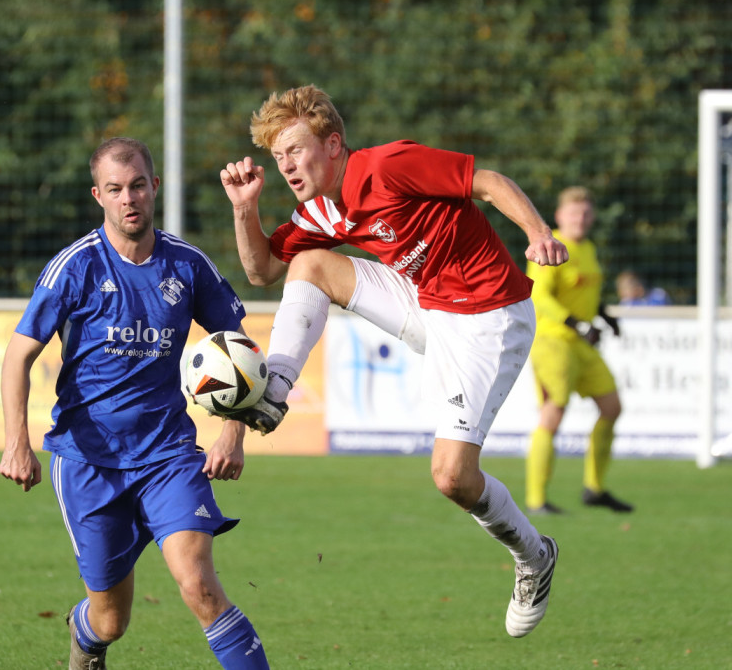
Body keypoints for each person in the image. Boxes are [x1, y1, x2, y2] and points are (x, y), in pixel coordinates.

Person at [219, 85, 566, 638]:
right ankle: (274, 392)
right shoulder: (321, 210)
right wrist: (245, 210)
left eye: (295, 149)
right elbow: (263, 271)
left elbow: (490, 183)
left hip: (490, 315)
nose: (285, 164)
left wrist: (538, 233)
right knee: (308, 263)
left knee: (452, 477)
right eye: (277, 156)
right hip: (429, 303)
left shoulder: (389, 165)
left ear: (333, 145)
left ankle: (534, 555)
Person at [0, 137, 269, 670]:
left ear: (155, 188)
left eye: (139, 186)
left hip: (167, 456)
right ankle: (86, 638)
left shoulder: (187, 265)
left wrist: (232, 432)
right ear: (98, 195)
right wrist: (17, 443)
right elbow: (16, 357)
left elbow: (241, 350)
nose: (130, 199)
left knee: (199, 584)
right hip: (87, 462)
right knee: (110, 620)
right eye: (116, 189)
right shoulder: (73, 268)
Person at [524, 186, 634, 515]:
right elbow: (539, 297)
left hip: (582, 341)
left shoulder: (588, 249)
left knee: (612, 407)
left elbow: (586, 293)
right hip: (552, 340)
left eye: (586, 213)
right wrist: (575, 322)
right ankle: (536, 500)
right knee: (553, 413)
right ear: (559, 217)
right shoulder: (549, 246)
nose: (581, 219)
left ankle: (594, 489)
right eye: (574, 213)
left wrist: (604, 315)